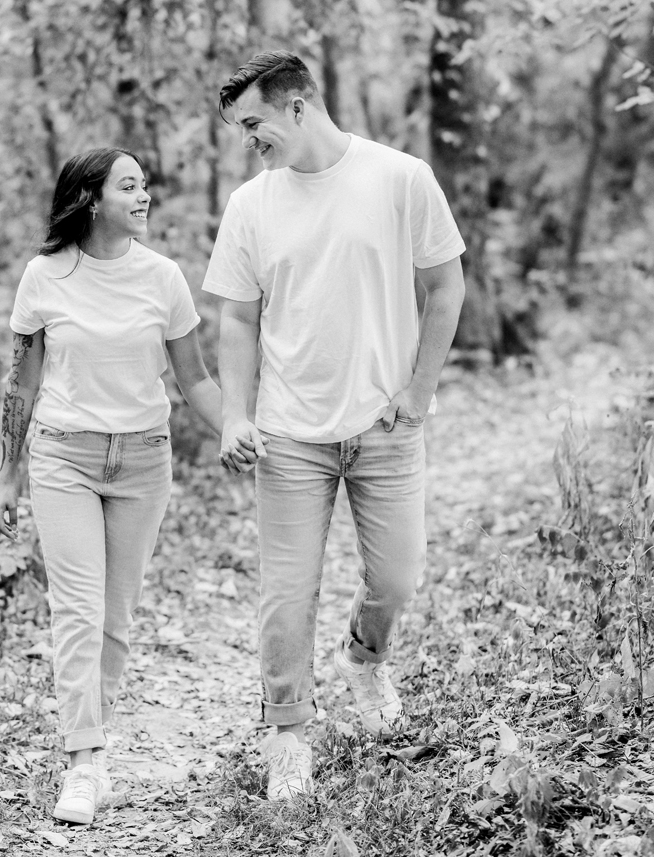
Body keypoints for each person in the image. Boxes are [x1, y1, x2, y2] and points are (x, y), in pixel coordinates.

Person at [202, 51, 465, 801]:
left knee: (397, 576)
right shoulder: (252, 204)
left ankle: (364, 658)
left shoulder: (399, 177)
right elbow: (236, 318)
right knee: (287, 593)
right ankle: (288, 734)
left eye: (254, 122)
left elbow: (446, 287)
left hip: (385, 425)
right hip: (289, 435)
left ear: (296, 105)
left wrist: (417, 392)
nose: (249, 139)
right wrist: (234, 416)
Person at [0, 147, 221, 826]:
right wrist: (7, 477)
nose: (145, 195)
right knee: (78, 611)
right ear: (92, 199)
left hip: (145, 460)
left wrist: (240, 433)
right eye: (130, 186)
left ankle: (94, 744)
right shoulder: (45, 275)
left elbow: (196, 379)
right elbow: (21, 382)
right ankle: (84, 761)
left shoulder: (164, 278)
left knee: (115, 621)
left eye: (145, 185)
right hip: (62, 457)